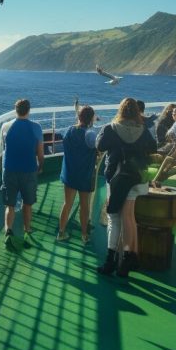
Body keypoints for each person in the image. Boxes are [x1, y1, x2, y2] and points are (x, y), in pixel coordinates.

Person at [96, 98, 156, 277]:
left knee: (114, 218)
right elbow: (154, 147)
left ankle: (111, 260)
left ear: (120, 110)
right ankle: (129, 257)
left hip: (118, 179)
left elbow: (100, 145)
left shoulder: (111, 128)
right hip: (137, 178)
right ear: (137, 112)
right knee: (129, 217)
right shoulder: (143, 130)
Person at [1, 98, 44, 249]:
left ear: (16, 110)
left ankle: (8, 232)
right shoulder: (36, 127)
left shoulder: (5, 126)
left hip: (10, 170)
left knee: (10, 205)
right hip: (28, 170)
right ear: (29, 110)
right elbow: (40, 152)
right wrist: (40, 166)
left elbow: (6, 148)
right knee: (27, 203)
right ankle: (27, 230)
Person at [58, 105, 98, 243]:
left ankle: (61, 232)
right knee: (84, 206)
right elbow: (96, 147)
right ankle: (84, 235)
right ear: (91, 119)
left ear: (79, 117)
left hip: (70, 173)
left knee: (67, 203)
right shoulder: (91, 135)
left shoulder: (69, 130)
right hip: (84, 175)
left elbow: (67, 139)